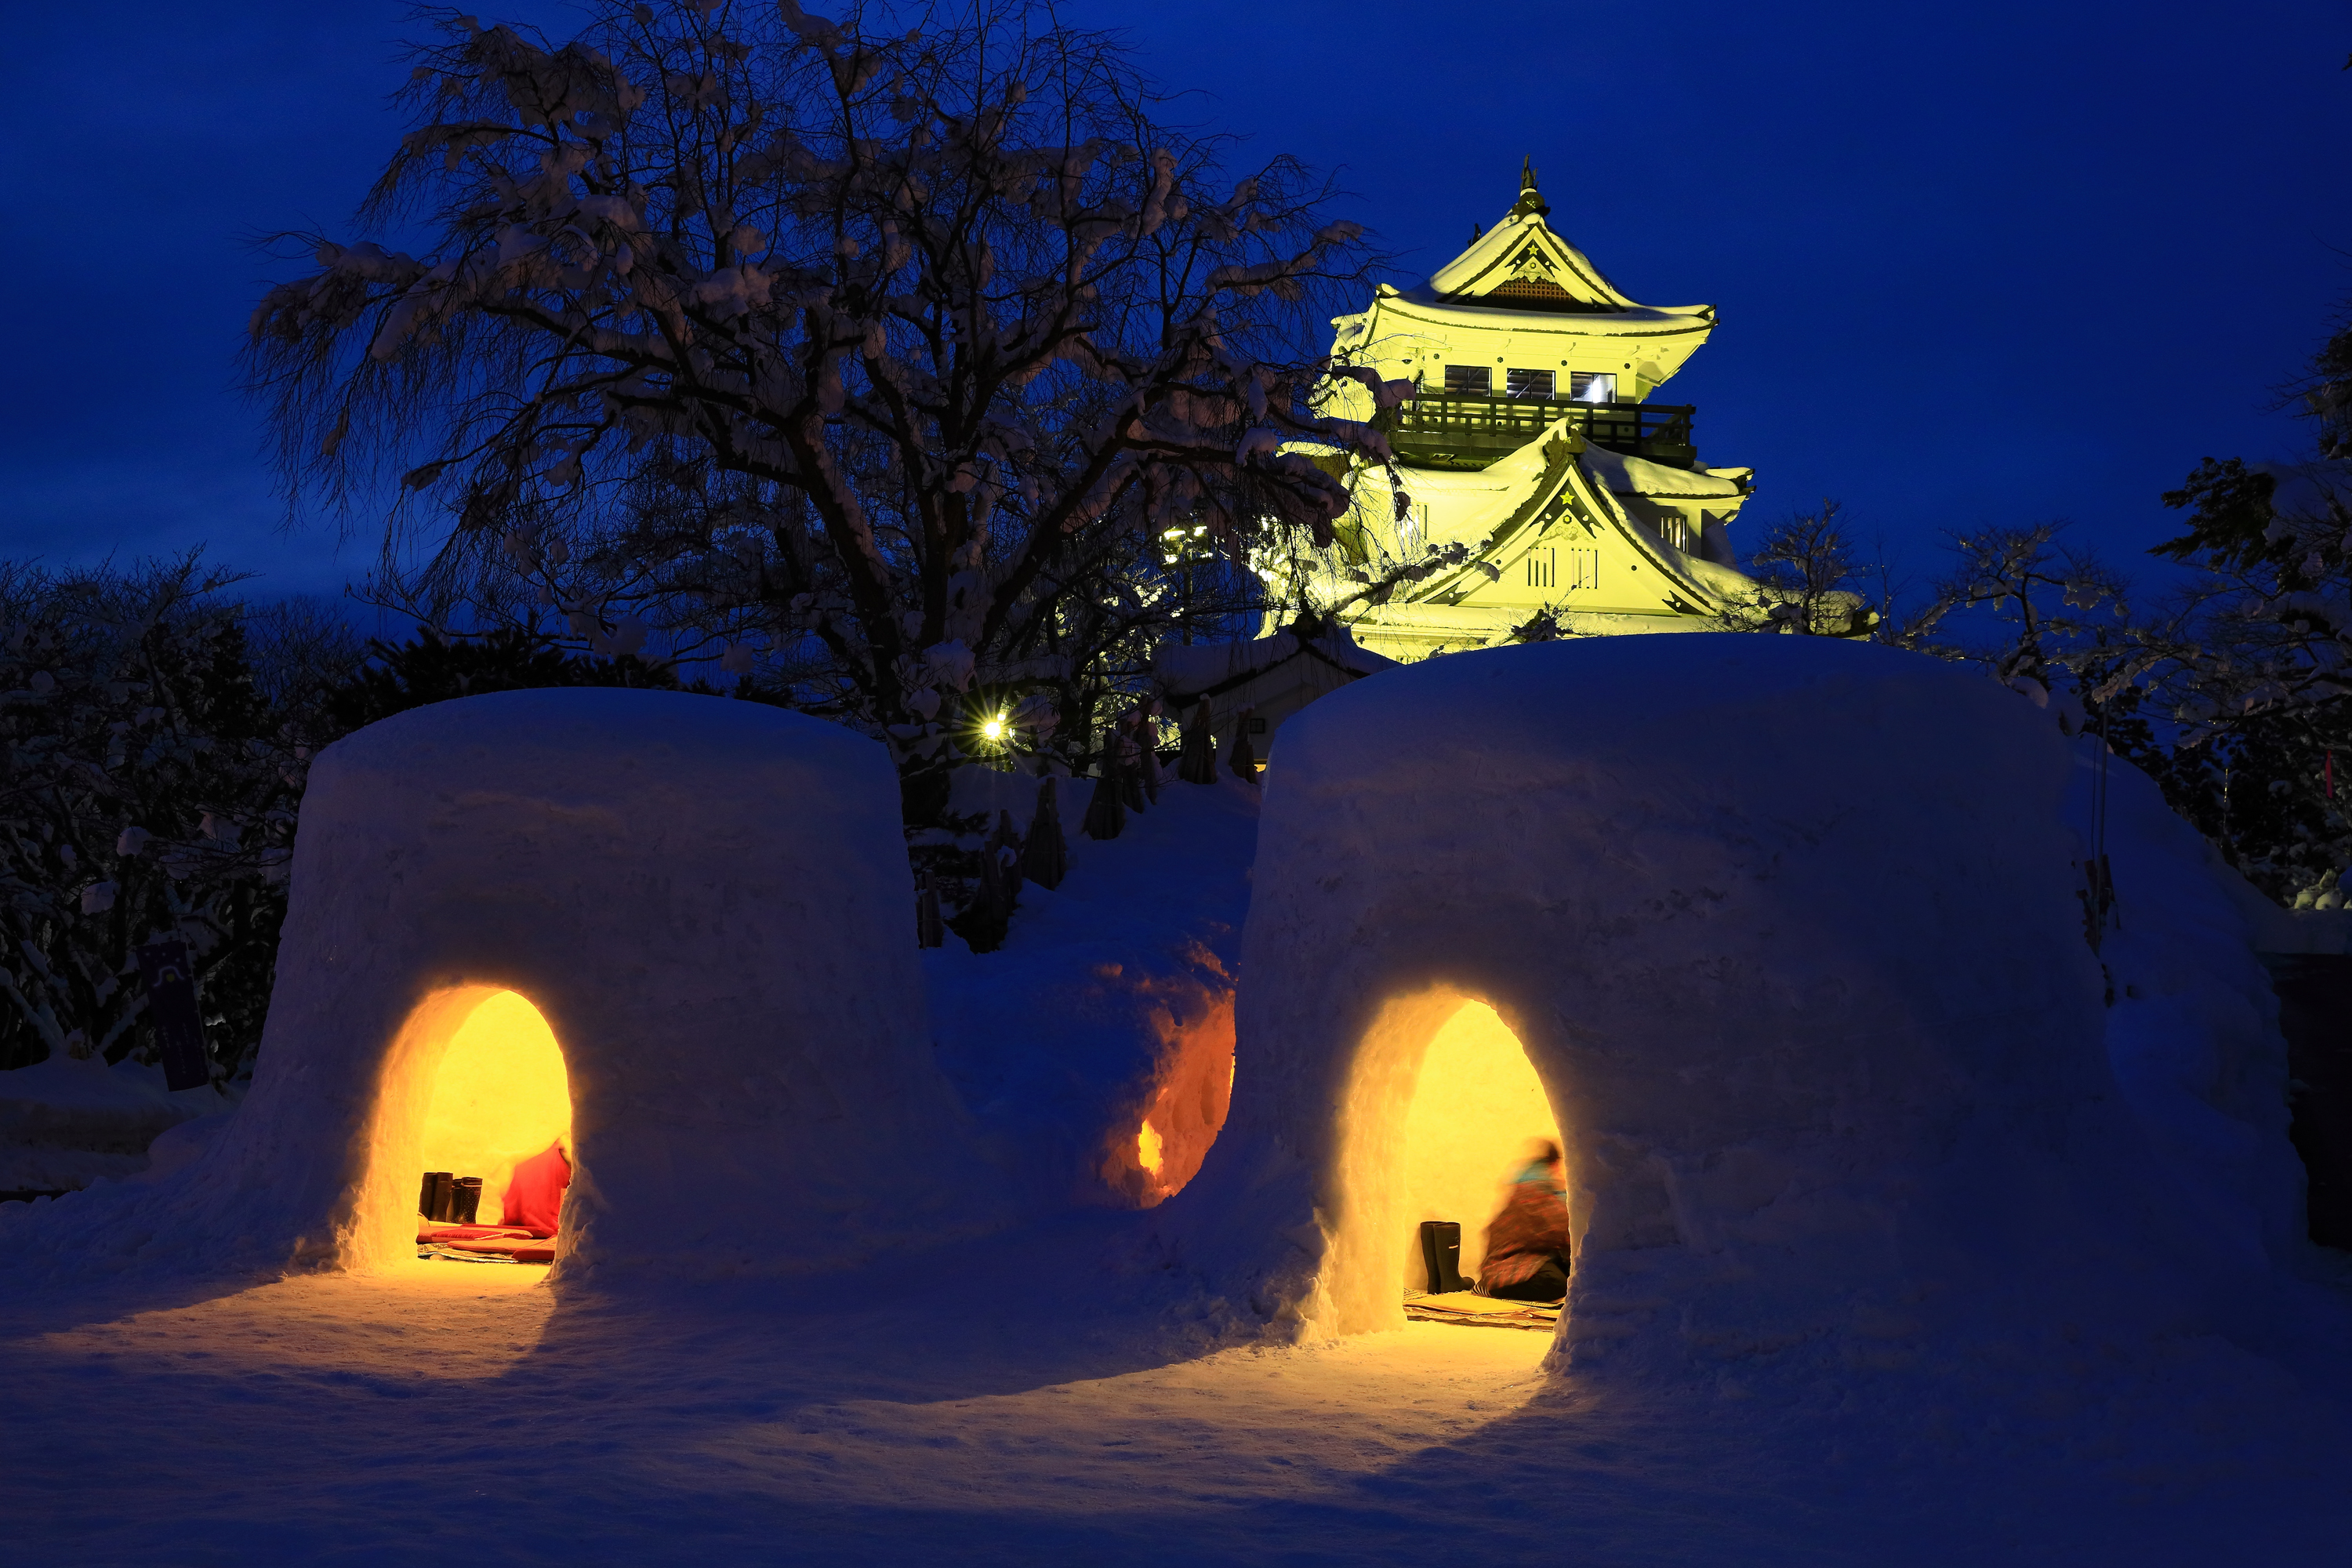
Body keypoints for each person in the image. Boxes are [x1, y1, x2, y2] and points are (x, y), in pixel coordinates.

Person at [1476, 1138, 1573, 1303]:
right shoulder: (1531, 1190)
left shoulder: (1547, 1189)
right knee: (1555, 1282)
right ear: (1553, 1164)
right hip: (1508, 1264)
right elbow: (1557, 1229)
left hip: (1538, 1258)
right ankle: (1489, 1288)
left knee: (1581, 1274)